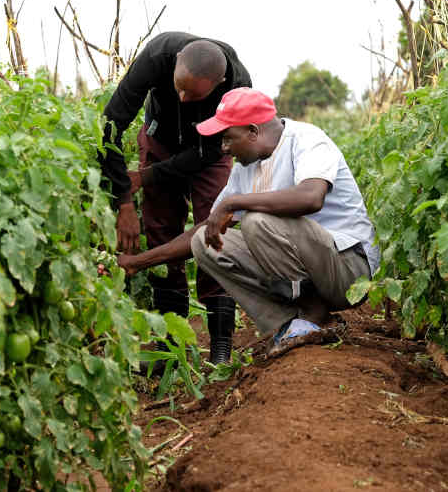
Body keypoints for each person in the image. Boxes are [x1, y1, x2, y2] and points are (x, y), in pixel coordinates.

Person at [117, 87, 380, 355]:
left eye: (228, 138)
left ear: (253, 131)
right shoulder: (247, 167)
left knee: (256, 221)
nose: (224, 148)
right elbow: (208, 227)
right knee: (203, 243)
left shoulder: (307, 140)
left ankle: (315, 316)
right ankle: (290, 324)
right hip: (311, 268)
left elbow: (311, 197)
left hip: (348, 271)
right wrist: (138, 263)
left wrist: (235, 203)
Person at [99, 32, 252, 365]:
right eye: (178, 87)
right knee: (160, 229)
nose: (182, 98)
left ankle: (221, 343)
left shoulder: (237, 84)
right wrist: (124, 201)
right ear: (176, 62)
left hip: (209, 153)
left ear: (219, 84)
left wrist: (146, 176)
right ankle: (170, 343)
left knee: (215, 230)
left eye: (193, 94)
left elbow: (209, 152)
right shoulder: (156, 57)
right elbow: (110, 126)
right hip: (161, 139)